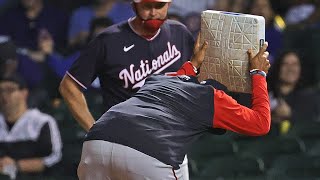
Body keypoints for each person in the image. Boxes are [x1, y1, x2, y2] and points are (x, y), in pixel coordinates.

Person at [77, 41, 271, 179]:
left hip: (96, 141)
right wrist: (258, 74)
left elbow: (180, 77)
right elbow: (261, 124)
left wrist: (194, 64)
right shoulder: (213, 96)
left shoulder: (160, 79)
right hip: (148, 152)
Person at [59, 0, 195, 132]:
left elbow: (195, 79)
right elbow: (69, 87)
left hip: (171, 137)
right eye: (147, 6)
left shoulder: (180, 33)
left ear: (168, 5)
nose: (153, 12)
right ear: (135, 6)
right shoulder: (108, 40)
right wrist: (94, 131)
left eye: (159, 5)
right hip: (125, 139)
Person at [0, 75, 62, 179]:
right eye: (1, 91)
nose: (4, 95)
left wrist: (16, 165)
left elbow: (54, 157)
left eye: (10, 90)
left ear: (24, 93)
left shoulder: (41, 121)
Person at [268, 50, 320, 135]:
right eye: (285, 64)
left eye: (295, 64)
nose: (290, 69)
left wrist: (290, 114)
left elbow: (313, 126)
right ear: (278, 68)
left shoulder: (310, 98)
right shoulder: (265, 94)